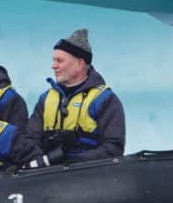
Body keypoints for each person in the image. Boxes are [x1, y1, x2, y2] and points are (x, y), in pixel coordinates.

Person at [34, 27, 126, 164]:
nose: (53, 66)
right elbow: (29, 140)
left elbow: (113, 149)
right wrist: (43, 160)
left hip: (88, 177)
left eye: (60, 61)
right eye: (54, 60)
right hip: (48, 175)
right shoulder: (46, 99)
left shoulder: (104, 100)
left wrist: (70, 162)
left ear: (79, 64)